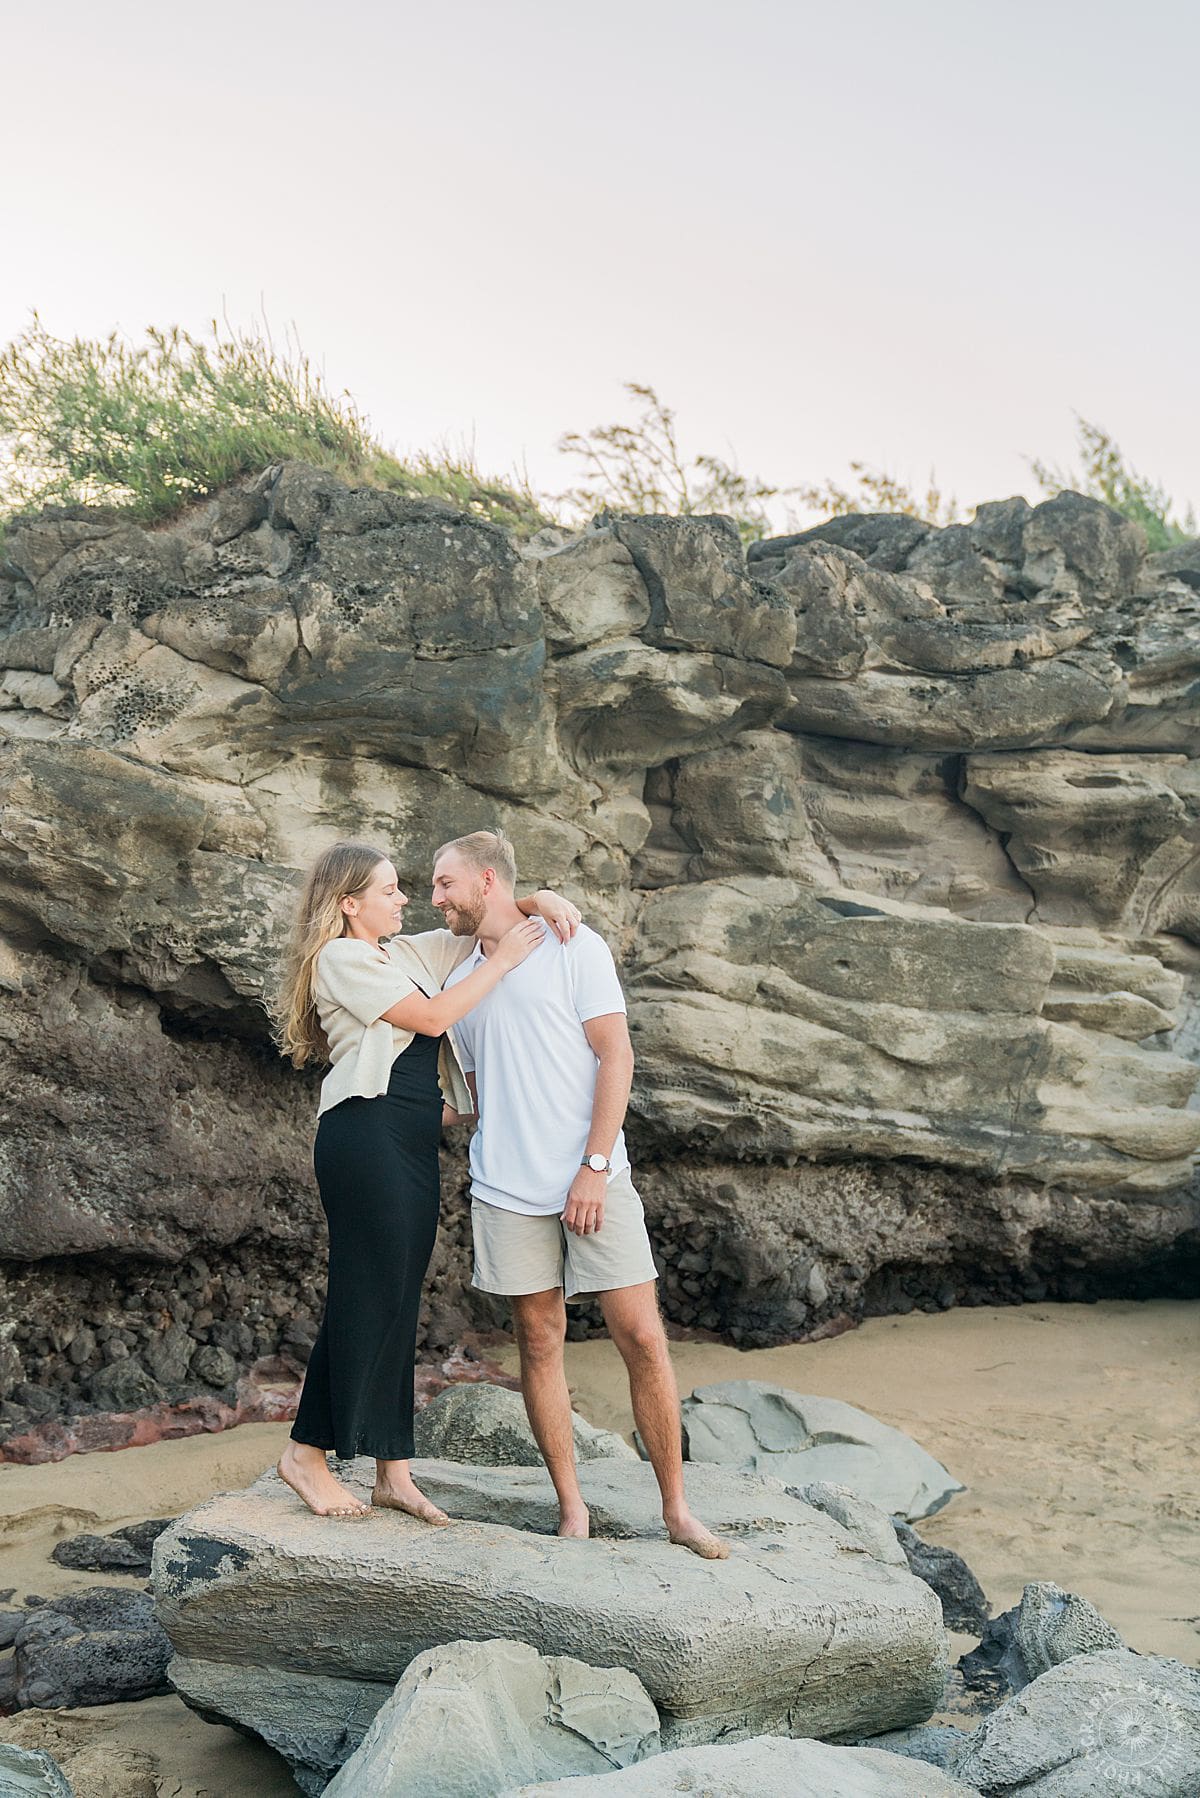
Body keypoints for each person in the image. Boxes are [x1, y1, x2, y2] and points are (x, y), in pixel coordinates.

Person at [435, 829, 728, 1559]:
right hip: (505, 1188)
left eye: (445, 884)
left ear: (487, 883)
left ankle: (677, 1509)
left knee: (642, 1338)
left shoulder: (575, 947)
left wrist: (595, 1166)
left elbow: (615, 1053)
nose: (433, 897)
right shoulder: (455, 977)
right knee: (539, 1341)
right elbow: (467, 1094)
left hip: (593, 1176)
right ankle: (573, 1509)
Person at [273, 840, 580, 1521]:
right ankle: (305, 1455)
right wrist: (502, 964)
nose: (405, 899)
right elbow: (437, 1018)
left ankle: (392, 1472)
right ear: (349, 904)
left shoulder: (407, 954)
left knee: (398, 1300)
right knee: (366, 1293)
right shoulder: (340, 959)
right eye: (389, 891)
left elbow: (477, 917)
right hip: (365, 1136)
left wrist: (539, 901)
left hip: (410, 1141)